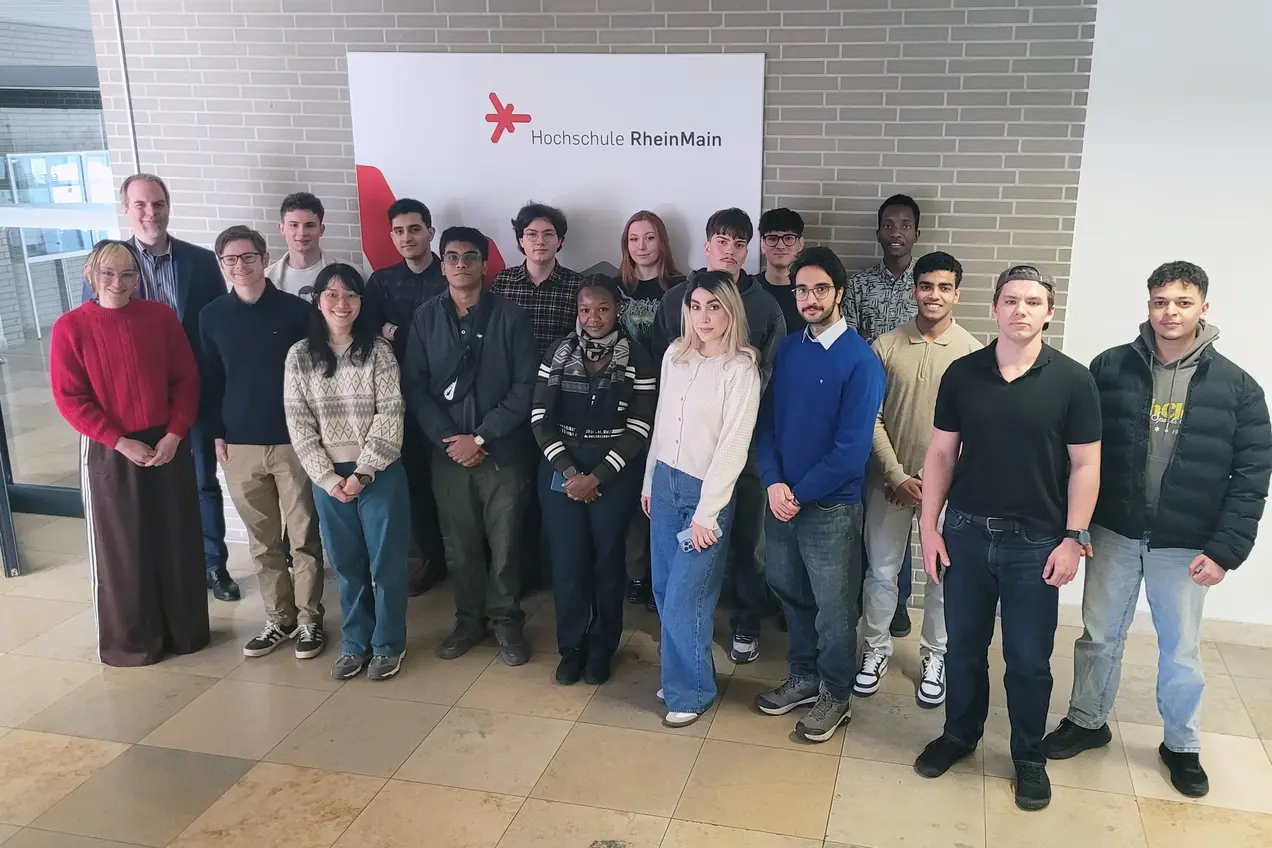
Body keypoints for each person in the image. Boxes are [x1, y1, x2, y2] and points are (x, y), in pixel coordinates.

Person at [1044, 261, 1272, 798]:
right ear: (1148, 305)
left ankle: (1181, 744)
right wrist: (1072, 528)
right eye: (1160, 302)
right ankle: (1087, 720)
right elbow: (1077, 453)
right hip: (1115, 532)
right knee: (1099, 636)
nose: (1170, 312)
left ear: (1203, 308)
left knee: (1182, 651)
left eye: (1183, 302)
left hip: (1186, 542)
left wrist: (1226, 550)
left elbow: (1252, 476)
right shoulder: (1110, 368)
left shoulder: (1238, 388)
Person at [913, 264, 1101, 812]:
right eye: (1011, 300)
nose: (1021, 309)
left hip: (1037, 543)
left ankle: (1028, 756)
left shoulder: (1073, 380)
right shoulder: (963, 373)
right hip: (967, 534)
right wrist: (929, 526)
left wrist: (1074, 537)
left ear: (1048, 311)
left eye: (1033, 301)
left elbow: (1086, 465)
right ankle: (959, 735)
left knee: (1027, 660)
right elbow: (942, 452)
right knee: (964, 648)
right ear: (994, 307)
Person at [51, 239, 210, 666]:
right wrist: (119, 441)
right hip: (111, 449)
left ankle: (185, 632)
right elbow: (71, 398)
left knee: (176, 539)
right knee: (123, 548)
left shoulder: (159, 317)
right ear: (90, 276)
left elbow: (186, 379)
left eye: (127, 273)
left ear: (138, 276)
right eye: (107, 273)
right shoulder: (71, 328)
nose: (118, 282)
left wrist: (175, 434)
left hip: (166, 443)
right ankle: (133, 643)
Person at [87, 173, 238, 602]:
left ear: (168, 206)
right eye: (140, 205)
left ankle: (212, 566)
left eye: (157, 203)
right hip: (131, 403)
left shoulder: (198, 261)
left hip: (192, 393)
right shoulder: (107, 265)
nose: (150, 213)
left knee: (201, 482)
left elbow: (214, 329)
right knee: (143, 490)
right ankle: (162, 569)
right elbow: (94, 332)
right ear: (126, 209)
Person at [754, 247, 884, 743]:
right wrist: (772, 482)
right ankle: (804, 677)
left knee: (833, 609)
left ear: (839, 293)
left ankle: (836, 692)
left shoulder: (860, 361)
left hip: (829, 508)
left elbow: (851, 452)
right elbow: (766, 424)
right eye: (802, 290)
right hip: (782, 500)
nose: (809, 298)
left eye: (820, 289)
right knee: (789, 593)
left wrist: (796, 493)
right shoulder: (788, 349)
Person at [651, 208, 786, 665]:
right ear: (707, 246)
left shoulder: (764, 308)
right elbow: (666, 395)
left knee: (747, 544)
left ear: (748, 251)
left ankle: (746, 623)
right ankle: (688, 644)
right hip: (680, 462)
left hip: (740, 450)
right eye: (721, 241)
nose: (729, 250)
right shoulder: (676, 305)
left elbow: (770, 379)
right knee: (681, 576)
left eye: (739, 243)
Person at [405, 226, 538, 667]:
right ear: (442, 264)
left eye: (470, 256)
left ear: (485, 264)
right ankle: (467, 620)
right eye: (452, 257)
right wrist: (451, 442)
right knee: (458, 544)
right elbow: (416, 388)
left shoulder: (512, 317)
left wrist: (481, 437)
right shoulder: (425, 318)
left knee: (505, 543)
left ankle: (505, 621)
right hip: (447, 454)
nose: (461, 264)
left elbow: (525, 387)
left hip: (503, 453)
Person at [856, 251, 982, 707]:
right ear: (914, 290)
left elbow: (975, 427)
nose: (934, 295)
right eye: (926, 286)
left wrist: (936, 481)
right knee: (882, 574)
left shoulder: (972, 354)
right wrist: (895, 474)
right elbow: (868, 418)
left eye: (944, 287)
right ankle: (874, 650)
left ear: (957, 294)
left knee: (942, 576)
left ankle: (935, 655)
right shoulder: (885, 346)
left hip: (947, 492)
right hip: (887, 484)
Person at [201, 225, 326, 661]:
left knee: (304, 537)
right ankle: (279, 619)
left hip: (295, 442)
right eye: (230, 260)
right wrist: (217, 432)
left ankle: (310, 620)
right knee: (262, 540)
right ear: (222, 265)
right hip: (240, 444)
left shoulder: (295, 312)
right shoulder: (212, 315)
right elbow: (211, 380)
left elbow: (315, 375)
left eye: (248, 257)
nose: (240, 266)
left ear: (263, 257)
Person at [644, 270, 761, 727]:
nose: (704, 317)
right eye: (695, 307)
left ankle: (690, 692)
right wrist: (649, 483)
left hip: (704, 492)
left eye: (714, 307)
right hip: (666, 483)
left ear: (731, 310)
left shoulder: (741, 367)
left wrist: (707, 512)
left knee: (687, 598)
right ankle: (685, 671)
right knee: (663, 587)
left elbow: (733, 445)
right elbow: (662, 422)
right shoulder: (676, 355)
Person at [284, 264, 410, 681]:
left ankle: (388, 645)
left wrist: (364, 471)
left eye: (351, 295)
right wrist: (327, 477)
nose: (342, 303)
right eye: (332, 295)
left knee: (385, 563)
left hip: (380, 471)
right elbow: (298, 423)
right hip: (328, 479)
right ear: (318, 301)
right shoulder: (300, 355)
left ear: (361, 302)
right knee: (346, 563)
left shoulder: (378, 351)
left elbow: (391, 413)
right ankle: (356, 643)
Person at [531, 276, 658, 685]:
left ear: (617, 309)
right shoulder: (558, 351)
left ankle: (602, 647)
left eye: (603, 308)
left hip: (614, 474)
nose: (593, 317)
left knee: (607, 564)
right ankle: (571, 648)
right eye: (585, 309)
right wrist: (571, 473)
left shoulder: (639, 356)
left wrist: (597, 476)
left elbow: (640, 426)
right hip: (561, 473)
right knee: (568, 564)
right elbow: (538, 419)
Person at [491, 201, 585, 594]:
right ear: (519, 240)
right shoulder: (501, 285)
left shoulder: (578, 286)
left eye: (548, 234)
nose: (540, 241)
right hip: (512, 403)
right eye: (532, 234)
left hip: (558, 404)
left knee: (555, 493)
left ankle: (557, 572)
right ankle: (522, 573)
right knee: (516, 496)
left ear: (560, 241)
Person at [843, 194, 924, 639]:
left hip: (910, 408)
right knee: (868, 505)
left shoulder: (925, 282)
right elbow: (853, 342)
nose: (896, 233)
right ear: (878, 232)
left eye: (905, 225)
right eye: (888, 225)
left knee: (903, 497)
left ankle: (896, 605)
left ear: (916, 232)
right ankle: (865, 595)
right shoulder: (858, 285)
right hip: (866, 406)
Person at [364, 197, 449, 596]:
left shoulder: (450, 272)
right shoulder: (381, 282)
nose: (406, 237)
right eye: (398, 231)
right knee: (415, 484)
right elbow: (370, 332)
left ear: (430, 232)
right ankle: (431, 558)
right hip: (399, 401)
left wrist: (397, 332)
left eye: (415, 229)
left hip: (450, 400)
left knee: (454, 483)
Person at [615, 210, 684, 609]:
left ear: (663, 243)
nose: (642, 247)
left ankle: (664, 572)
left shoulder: (681, 288)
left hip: (669, 403)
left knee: (661, 490)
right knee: (631, 491)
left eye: (650, 238)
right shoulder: (613, 287)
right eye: (634, 239)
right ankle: (635, 572)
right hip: (622, 404)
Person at [264, 192, 346, 301]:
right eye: (294, 225)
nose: (302, 233)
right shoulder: (265, 279)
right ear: (282, 228)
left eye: (309, 225)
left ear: (321, 230)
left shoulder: (351, 273)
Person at [756, 207, 807, 335]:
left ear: (800, 244)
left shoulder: (810, 293)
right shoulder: (749, 288)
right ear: (762, 244)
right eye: (772, 238)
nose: (780, 246)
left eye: (788, 238)